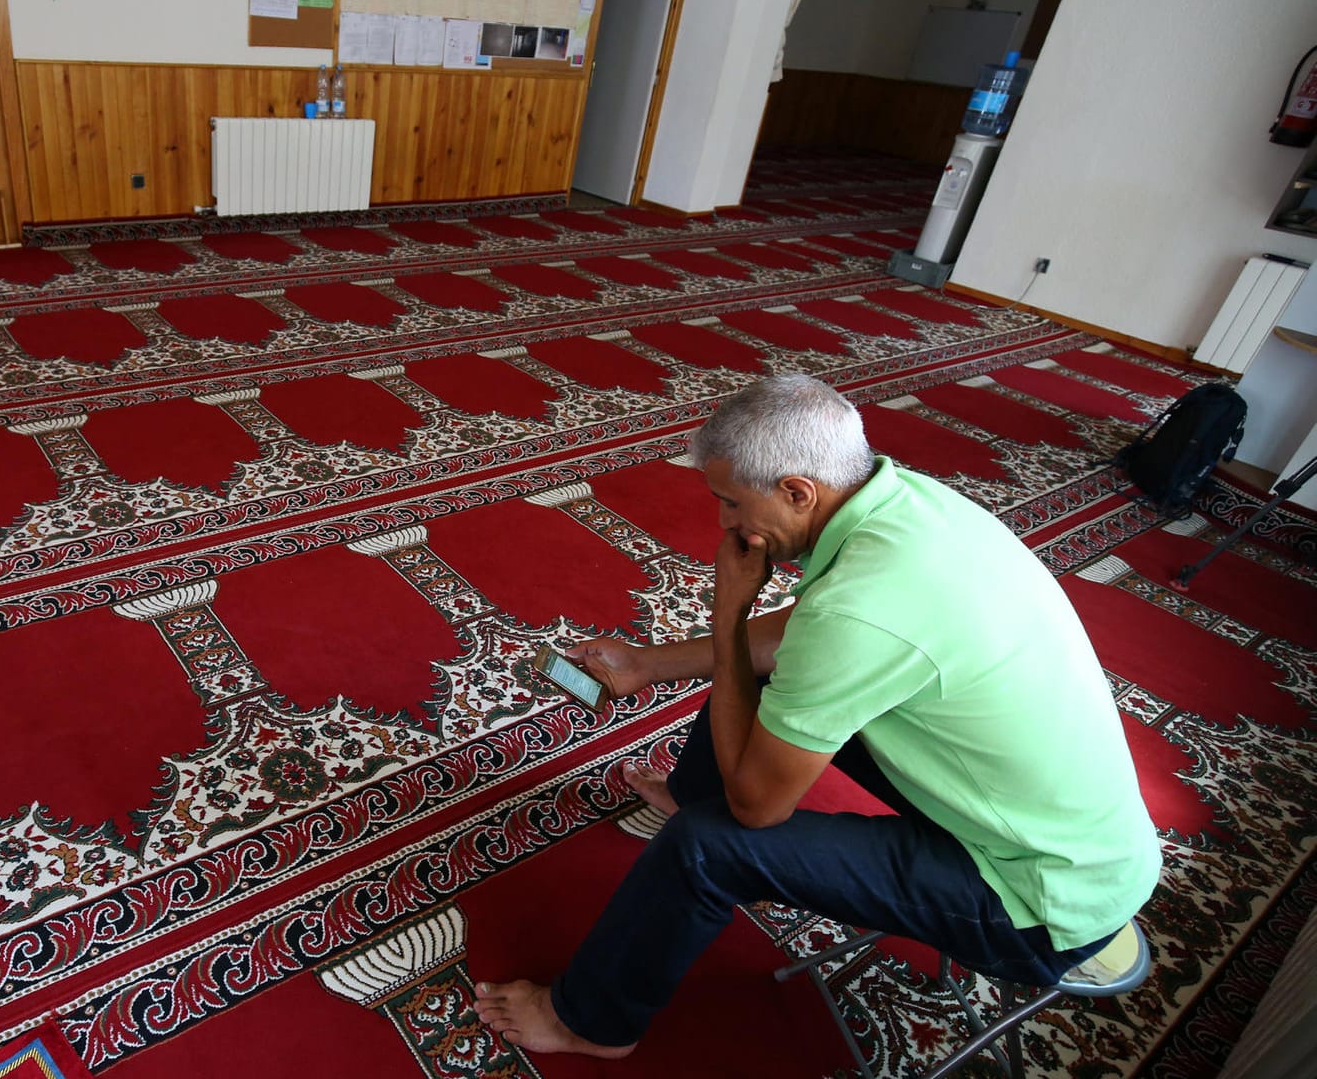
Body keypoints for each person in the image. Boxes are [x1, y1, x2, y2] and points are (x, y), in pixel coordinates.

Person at [474, 373, 1161, 1057]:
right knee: (761, 685)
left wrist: (728, 614)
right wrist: (650, 664)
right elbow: (812, 635)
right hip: (1055, 827)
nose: (726, 526)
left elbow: (757, 808)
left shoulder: (861, 607)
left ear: (798, 491)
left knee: (709, 845)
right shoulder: (908, 504)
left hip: (1039, 898)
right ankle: (688, 797)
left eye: (730, 503)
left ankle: (590, 1022)